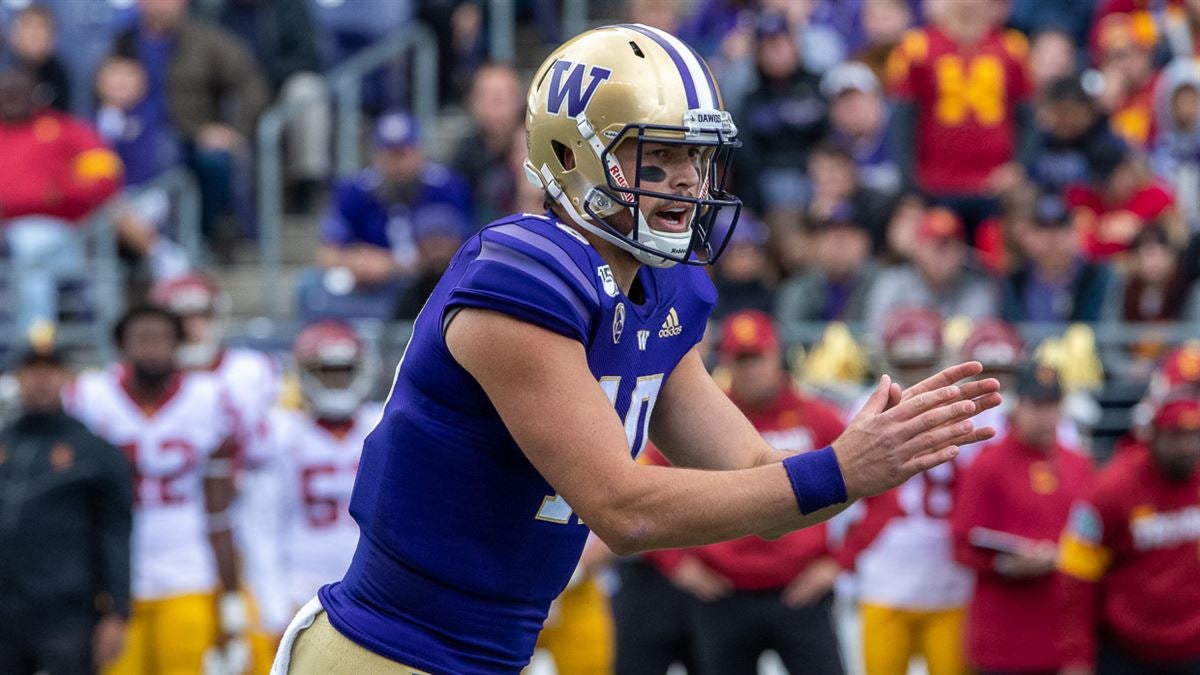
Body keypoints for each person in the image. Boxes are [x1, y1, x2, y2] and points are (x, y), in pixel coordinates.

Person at [271, 24, 1000, 674]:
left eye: (698, 155)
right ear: (570, 157)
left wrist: (867, 459)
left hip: (488, 655)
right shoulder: (520, 276)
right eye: (660, 156)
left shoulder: (668, 292)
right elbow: (623, 509)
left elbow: (759, 484)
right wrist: (836, 469)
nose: (688, 178)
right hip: (386, 652)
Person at [642, 311, 848, 675]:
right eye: (740, 359)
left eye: (757, 357)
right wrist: (677, 565)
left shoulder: (818, 417)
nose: (750, 369)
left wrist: (840, 562)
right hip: (723, 593)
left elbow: (876, 489)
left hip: (801, 591)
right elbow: (644, 487)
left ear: (777, 355)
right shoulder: (703, 417)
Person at [63, 305, 247, 675]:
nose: (152, 349)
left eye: (162, 339)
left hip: (187, 570)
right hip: (114, 577)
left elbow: (218, 508)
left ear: (178, 344)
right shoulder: (90, 396)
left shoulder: (207, 397)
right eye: (141, 339)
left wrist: (230, 594)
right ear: (121, 346)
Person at [952, 363, 1093, 675]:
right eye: (1037, 405)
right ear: (1019, 405)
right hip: (1003, 642)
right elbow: (961, 544)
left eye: (1052, 405)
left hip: (1062, 638)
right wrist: (1007, 565)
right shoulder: (987, 465)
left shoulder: (1078, 464)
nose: (1046, 417)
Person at [0, 343, 132, 675]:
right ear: (18, 377)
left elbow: (116, 533)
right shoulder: (5, 444)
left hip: (68, 613)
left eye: (50, 371)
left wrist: (117, 612)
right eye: (32, 371)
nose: (41, 380)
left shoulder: (94, 451)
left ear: (66, 378)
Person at [246, 322, 381, 638]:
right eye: (326, 372)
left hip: (375, 592)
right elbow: (263, 526)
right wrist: (274, 606)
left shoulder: (381, 426)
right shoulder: (281, 435)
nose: (337, 381)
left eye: (344, 371)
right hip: (303, 592)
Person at [1058, 389, 1200, 674]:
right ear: (1152, 436)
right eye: (1176, 436)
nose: (1187, 447)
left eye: (1194, 437)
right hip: (1125, 649)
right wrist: (1076, 658)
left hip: (1191, 647)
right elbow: (1075, 575)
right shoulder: (1112, 488)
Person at [111, 0, 270, 244]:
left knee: (211, 160)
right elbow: (102, 85)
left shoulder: (206, 40)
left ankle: (197, 237)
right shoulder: (124, 42)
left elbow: (252, 85)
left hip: (190, 135)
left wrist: (234, 130)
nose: (166, 6)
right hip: (135, 135)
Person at [304, 110, 473, 321]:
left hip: (420, 280)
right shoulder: (354, 190)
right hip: (366, 282)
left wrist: (391, 264)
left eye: (403, 153)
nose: (397, 164)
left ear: (420, 151)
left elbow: (454, 252)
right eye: (389, 154)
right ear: (376, 155)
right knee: (310, 286)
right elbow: (326, 253)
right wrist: (355, 260)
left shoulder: (445, 187)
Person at [887, 0, 1034, 240]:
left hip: (993, 185)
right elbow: (902, 121)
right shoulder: (917, 47)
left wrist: (1019, 166)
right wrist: (909, 185)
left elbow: (1028, 118)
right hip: (936, 184)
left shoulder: (1012, 47)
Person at [0, 67, 123, 335]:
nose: (12, 99)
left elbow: (105, 177)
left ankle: (35, 349)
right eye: (6, 93)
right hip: (4, 232)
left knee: (32, 256)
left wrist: (60, 192)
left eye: (19, 92)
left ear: (36, 95)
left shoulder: (67, 130)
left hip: (60, 232)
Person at [215, 0, 328, 211]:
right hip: (238, 92)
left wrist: (265, 74)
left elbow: (307, 57)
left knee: (307, 89)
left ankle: (307, 182)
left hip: (278, 87)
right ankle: (234, 205)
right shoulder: (225, 12)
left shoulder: (290, 7)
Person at [864, 207, 998, 331]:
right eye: (936, 247)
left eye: (951, 246)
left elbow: (979, 341)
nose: (944, 255)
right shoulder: (891, 283)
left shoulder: (977, 288)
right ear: (918, 248)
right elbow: (875, 336)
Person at [1002, 192, 1112, 323]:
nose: (1052, 237)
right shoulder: (1014, 279)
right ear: (1028, 236)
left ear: (1074, 233)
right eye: (1043, 228)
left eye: (1061, 227)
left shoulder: (1097, 276)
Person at [775, 202, 878, 324]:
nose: (838, 245)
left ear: (866, 243)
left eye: (847, 236)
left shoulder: (882, 283)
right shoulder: (800, 286)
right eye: (831, 235)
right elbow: (788, 331)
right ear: (816, 243)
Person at [5, 5, 70, 112]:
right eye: (28, 27)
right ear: (12, 34)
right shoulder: (3, 72)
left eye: (42, 28)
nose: (35, 35)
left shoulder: (60, 75)